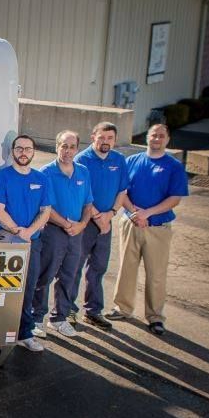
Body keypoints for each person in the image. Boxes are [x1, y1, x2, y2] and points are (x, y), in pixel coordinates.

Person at [108, 123, 189, 335]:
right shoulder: (132, 161)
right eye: (153, 135)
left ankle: (155, 317)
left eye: (161, 136)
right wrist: (135, 213)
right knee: (126, 268)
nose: (157, 139)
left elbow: (175, 198)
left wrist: (148, 213)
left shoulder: (173, 166)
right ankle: (123, 308)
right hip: (131, 222)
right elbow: (122, 192)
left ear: (167, 139)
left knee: (156, 273)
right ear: (147, 138)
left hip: (158, 227)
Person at [0, 135, 53, 353]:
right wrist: (17, 231)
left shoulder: (42, 179)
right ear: (12, 151)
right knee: (0, 289)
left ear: (33, 152)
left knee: (27, 289)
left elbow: (46, 211)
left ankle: (25, 334)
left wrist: (29, 232)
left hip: (32, 243)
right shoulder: (0, 178)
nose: (24, 152)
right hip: (5, 243)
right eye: (19, 148)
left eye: (28, 149)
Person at [33, 131, 95, 339]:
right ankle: (36, 318)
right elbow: (46, 207)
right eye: (64, 146)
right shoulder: (46, 173)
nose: (68, 151)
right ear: (57, 147)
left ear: (77, 149)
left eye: (72, 147)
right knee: (45, 275)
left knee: (69, 275)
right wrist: (67, 224)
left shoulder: (83, 172)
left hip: (76, 232)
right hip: (53, 232)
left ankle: (59, 318)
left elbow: (88, 204)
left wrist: (82, 225)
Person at [72, 122, 129, 330]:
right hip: (85, 222)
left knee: (98, 267)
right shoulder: (82, 160)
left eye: (110, 138)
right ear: (93, 137)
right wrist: (98, 217)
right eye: (101, 137)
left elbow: (122, 191)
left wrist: (111, 213)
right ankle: (67, 311)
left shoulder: (119, 160)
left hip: (106, 221)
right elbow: (82, 194)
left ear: (115, 140)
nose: (106, 141)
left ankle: (93, 311)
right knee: (74, 267)